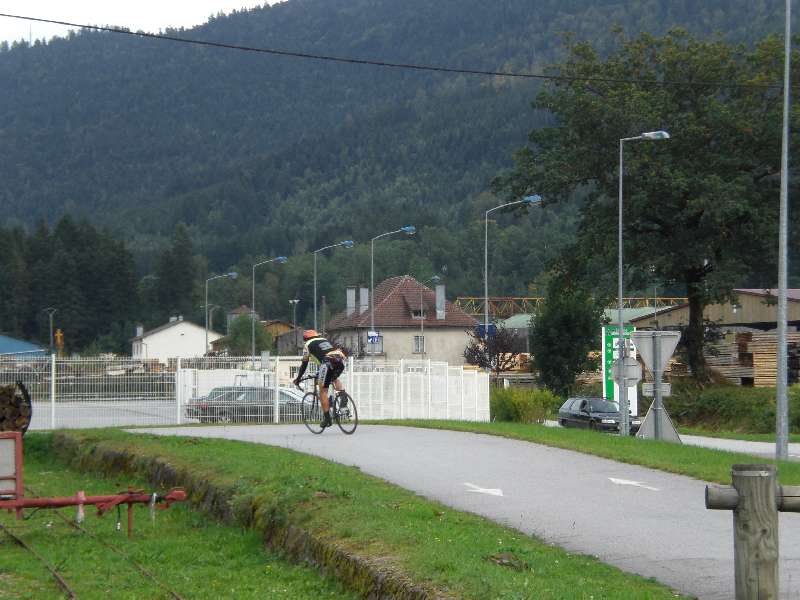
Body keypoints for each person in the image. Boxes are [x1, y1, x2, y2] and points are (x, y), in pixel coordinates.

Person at [293, 329, 347, 428]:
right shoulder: (324, 340)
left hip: (326, 363)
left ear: (306, 339)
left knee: (323, 391)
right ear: (316, 336)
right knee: (334, 378)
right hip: (339, 360)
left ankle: (327, 419)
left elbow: (304, 364)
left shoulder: (307, 345)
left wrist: (298, 378)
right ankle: (343, 398)